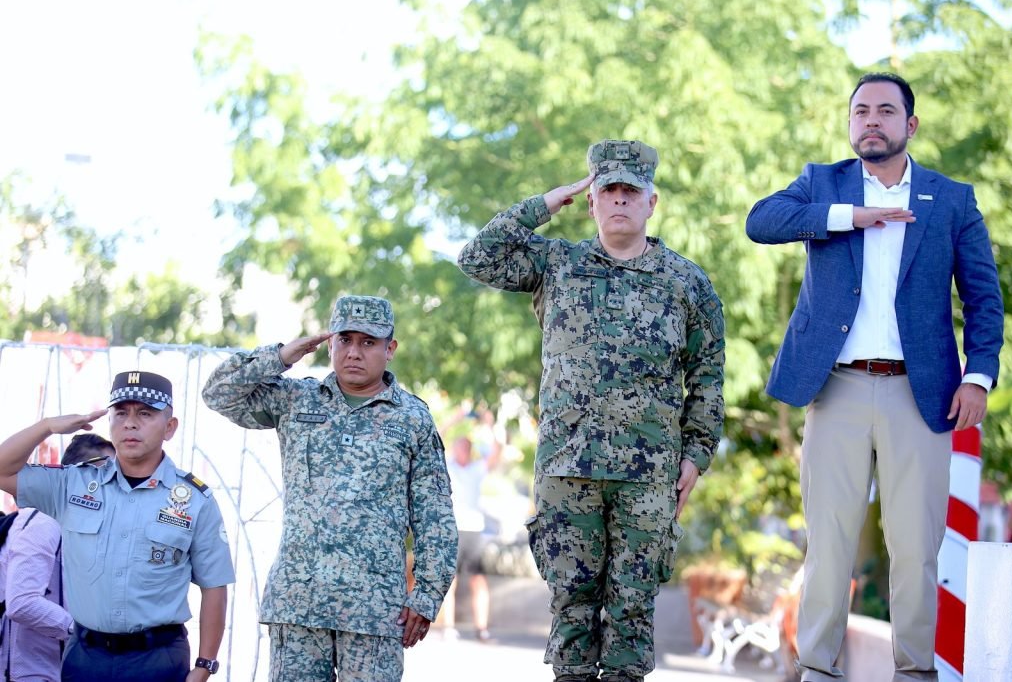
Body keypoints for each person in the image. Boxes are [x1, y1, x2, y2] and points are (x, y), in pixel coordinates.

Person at [746, 72, 1004, 682]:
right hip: (835, 388)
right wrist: (849, 216)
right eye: (860, 111)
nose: (871, 121)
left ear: (909, 125)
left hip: (924, 393)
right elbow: (762, 222)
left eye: (885, 111)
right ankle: (817, 669)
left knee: (916, 550)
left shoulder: (952, 198)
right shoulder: (822, 182)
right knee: (829, 544)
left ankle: (915, 673)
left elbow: (984, 299)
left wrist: (981, 376)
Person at [458, 140, 726, 682]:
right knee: (571, 615)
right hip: (566, 469)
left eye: (632, 191)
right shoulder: (558, 264)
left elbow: (708, 375)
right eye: (609, 191)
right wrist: (545, 203)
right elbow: (476, 258)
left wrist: (696, 454)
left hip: (647, 478)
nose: (620, 200)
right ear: (592, 202)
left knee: (631, 618)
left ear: (652, 202)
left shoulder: (686, 281)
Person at [202, 294, 458, 682]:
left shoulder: (412, 419)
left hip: (374, 613)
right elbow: (217, 393)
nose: (354, 352)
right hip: (299, 606)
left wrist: (427, 594)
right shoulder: (296, 400)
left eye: (368, 342)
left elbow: (434, 516)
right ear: (330, 344)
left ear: (390, 349)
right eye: (345, 340)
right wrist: (282, 356)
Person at [0, 371, 236, 682]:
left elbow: (214, 586)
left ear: (170, 427)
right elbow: (3, 470)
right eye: (121, 412)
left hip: (158, 658)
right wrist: (47, 427)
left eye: (145, 413)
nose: (130, 423)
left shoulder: (194, 500)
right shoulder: (73, 484)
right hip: (87, 656)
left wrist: (205, 667)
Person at [0, 436, 114, 681]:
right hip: (28, 672)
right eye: (111, 472)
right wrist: (87, 632)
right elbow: (22, 603)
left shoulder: (87, 525)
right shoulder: (44, 519)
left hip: (62, 667)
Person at [437, 406, 504, 642]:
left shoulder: (476, 469)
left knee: (478, 580)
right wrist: (455, 417)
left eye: (466, 447)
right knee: (450, 581)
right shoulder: (449, 467)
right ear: (455, 450)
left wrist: (489, 425)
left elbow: (496, 453)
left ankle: (482, 629)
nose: (462, 450)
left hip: (474, 530)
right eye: (459, 446)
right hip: (454, 529)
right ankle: (448, 627)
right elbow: (437, 437)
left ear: (470, 450)